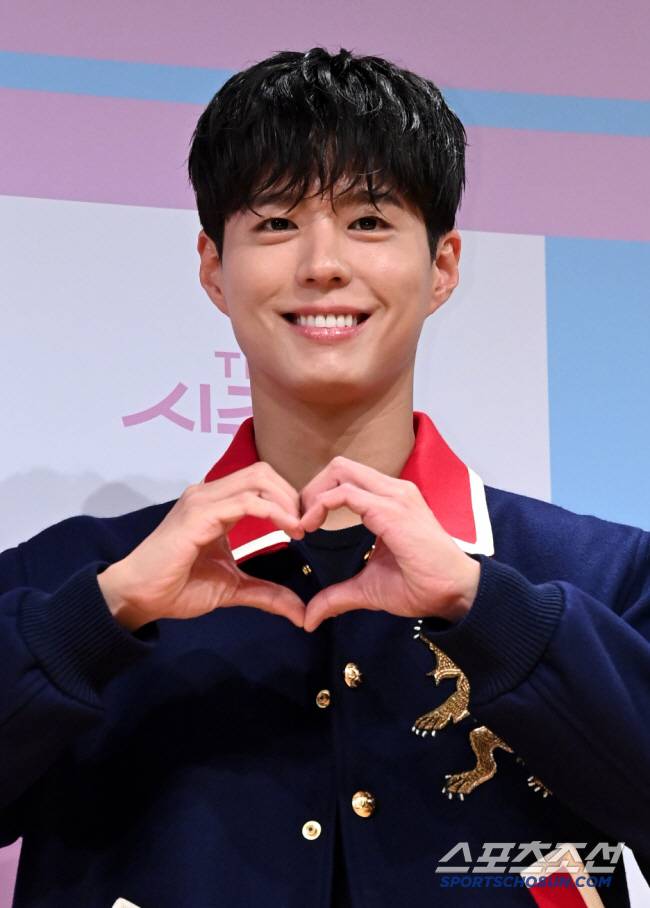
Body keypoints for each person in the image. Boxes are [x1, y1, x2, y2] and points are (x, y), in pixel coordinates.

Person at [1, 46, 648, 908]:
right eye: (275, 223)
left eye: (369, 221)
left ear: (443, 266)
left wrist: (488, 609)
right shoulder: (67, 578)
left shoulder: (607, 577)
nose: (322, 264)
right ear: (212, 267)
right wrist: (99, 619)